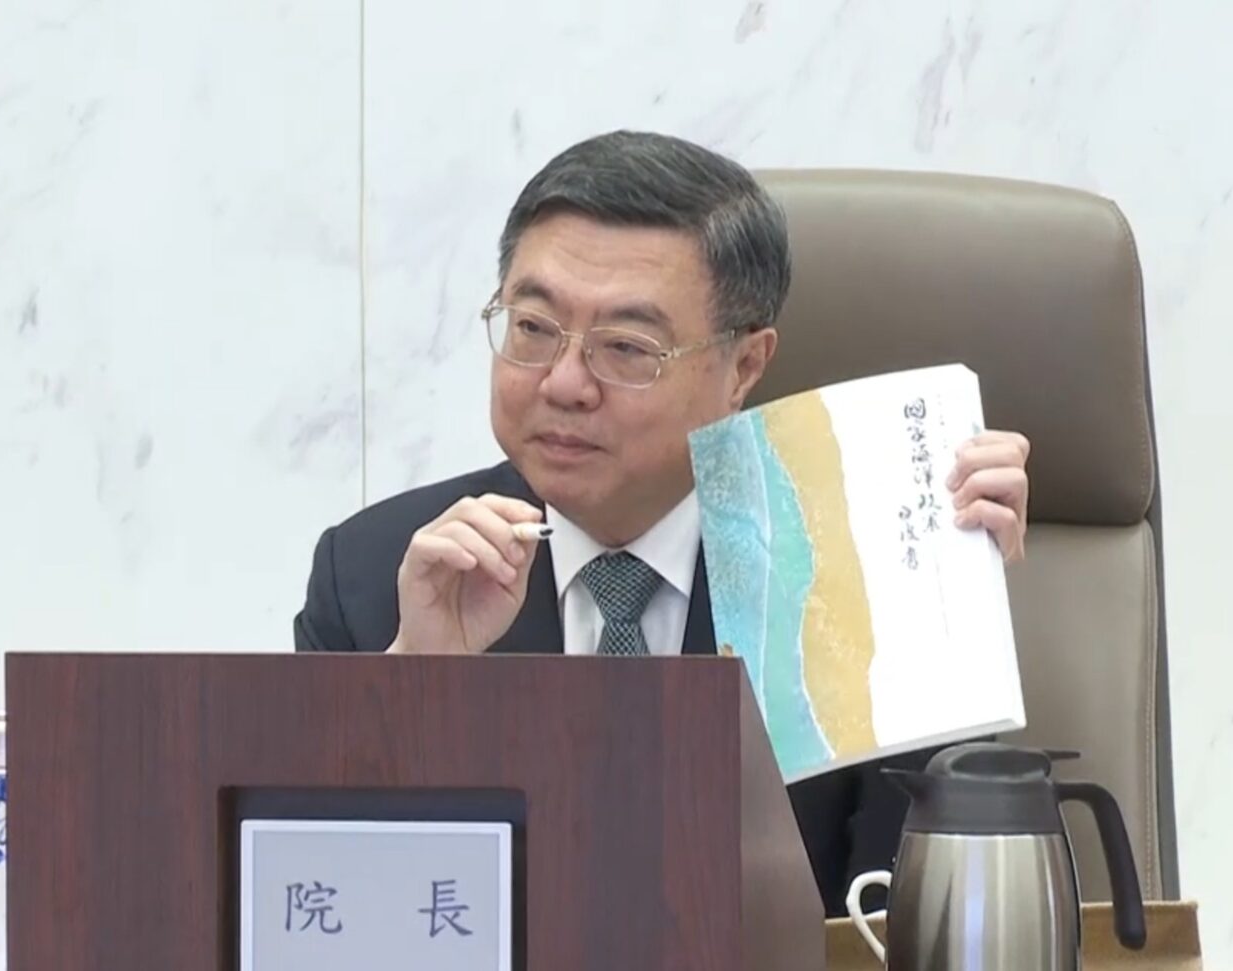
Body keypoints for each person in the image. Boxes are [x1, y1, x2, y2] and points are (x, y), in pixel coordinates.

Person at [293, 130, 1031, 914]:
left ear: (744, 366)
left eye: (626, 346)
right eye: (533, 328)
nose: (564, 383)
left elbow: (914, 924)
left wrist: (955, 611)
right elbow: (314, 909)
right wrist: (416, 692)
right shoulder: (377, 578)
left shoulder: (867, 576)